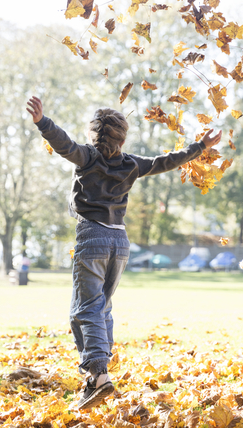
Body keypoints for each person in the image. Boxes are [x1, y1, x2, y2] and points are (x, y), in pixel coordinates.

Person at [26, 95, 222, 410]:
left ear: (94, 135)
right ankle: (94, 377)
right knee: (101, 309)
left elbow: (65, 145)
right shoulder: (131, 163)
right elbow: (165, 161)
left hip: (93, 236)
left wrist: (42, 123)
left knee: (86, 310)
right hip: (120, 241)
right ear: (122, 137)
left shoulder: (88, 157)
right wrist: (200, 146)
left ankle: (99, 375)